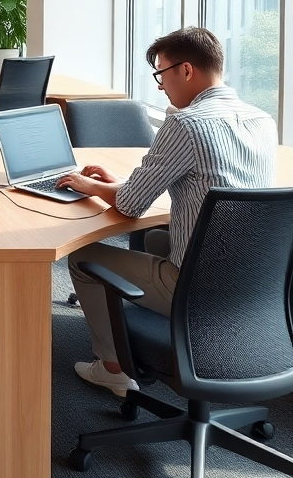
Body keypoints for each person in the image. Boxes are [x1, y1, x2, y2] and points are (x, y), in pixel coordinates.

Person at [60, 27, 276, 397]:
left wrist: (90, 186)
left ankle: (112, 367)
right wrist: (122, 183)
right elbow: (203, 181)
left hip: (196, 288)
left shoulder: (185, 122)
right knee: (159, 236)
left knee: (82, 256)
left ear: (187, 70)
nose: (160, 86)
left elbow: (129, 206)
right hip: (253, 287)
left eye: (161, 73)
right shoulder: (262, 120)